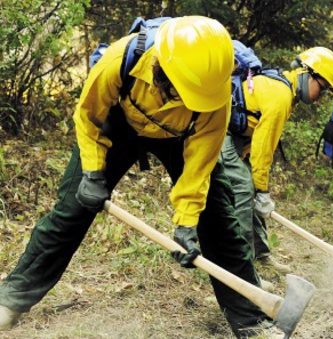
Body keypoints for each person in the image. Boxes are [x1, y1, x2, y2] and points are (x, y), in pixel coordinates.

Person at [0, 17, 271, 338]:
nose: (188, 101)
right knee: (71, 211)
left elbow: (201, 163)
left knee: (218, 221)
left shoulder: (214, 95)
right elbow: (88, 117)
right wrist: (91, 173)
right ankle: (11, 299)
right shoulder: (120, 60)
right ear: (162, 68)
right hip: (119, 125)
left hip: (181, 137)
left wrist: (186, 222)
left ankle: (251, 320)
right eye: (182, 93)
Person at [222, 45, 333, 280]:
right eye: (323, 88)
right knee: (246, 188)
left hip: (232, 134)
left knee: (250, 186)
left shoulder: (285, 91)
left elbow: (253, 128)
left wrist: (258, 184)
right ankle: (243, 269)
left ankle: (261, 255)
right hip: (217, 130)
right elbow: (263, 147)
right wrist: (261, 188)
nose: (320, 97)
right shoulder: (280, 95)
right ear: (308, 74)